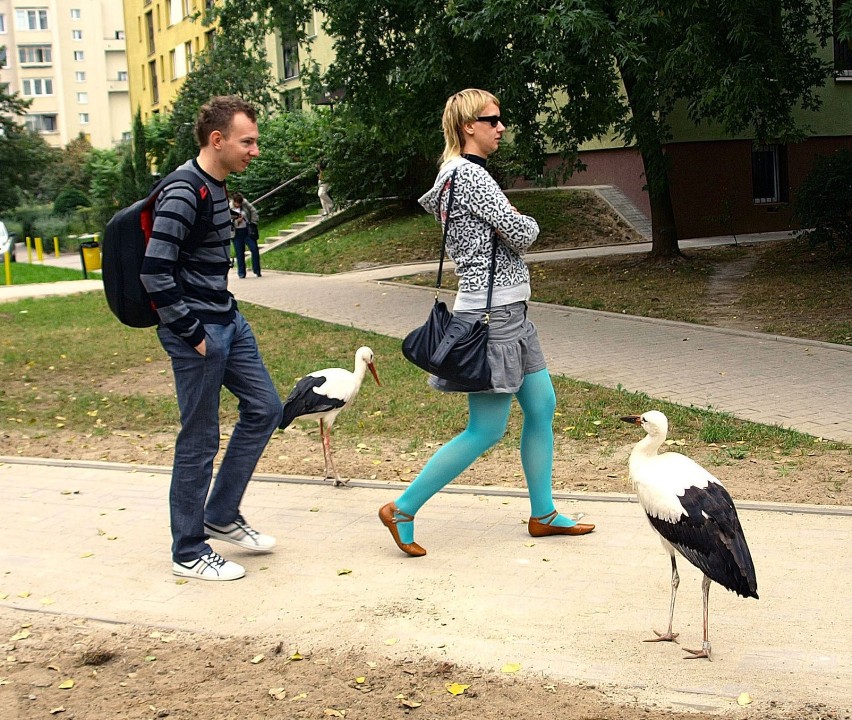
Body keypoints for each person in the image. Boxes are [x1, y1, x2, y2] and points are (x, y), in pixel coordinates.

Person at [379, 88, 595, 557]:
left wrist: (513, 221)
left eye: (501, 118)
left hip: (510, 312)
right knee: (486, 430)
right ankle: (403, 508)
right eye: (491, 119)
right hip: (491, 317)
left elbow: (508, 231)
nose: (500, 127)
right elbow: (524, 233)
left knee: (541, 406)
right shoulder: (469, 176)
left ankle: (543, 513)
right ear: (466, 127)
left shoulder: (460, 176)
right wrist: (519, 219)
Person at [140, 96, 283, 581]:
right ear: (217, 141)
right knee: (199, 439)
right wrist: (193, 334)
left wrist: (225, 322)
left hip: (228, 320)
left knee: (266, 408)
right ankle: (188, 549)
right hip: (198, 332)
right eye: (248, 142)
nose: (255, 151)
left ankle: (220, 513)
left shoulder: (218, 189)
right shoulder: (185, 191)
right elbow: (155, 272)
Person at [230, 191, 262, 278]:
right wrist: (237, 221)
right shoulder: (229, 207)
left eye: (240, 203)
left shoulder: (244, 203)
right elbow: (227, 222)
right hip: (236, 233)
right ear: (234, 201)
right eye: (237, 203)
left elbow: (253, 211)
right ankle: (241, 273)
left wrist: (253, 222)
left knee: (254, 249)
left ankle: (257, 270)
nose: (239, 205)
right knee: (240, 253)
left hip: (247, 231)